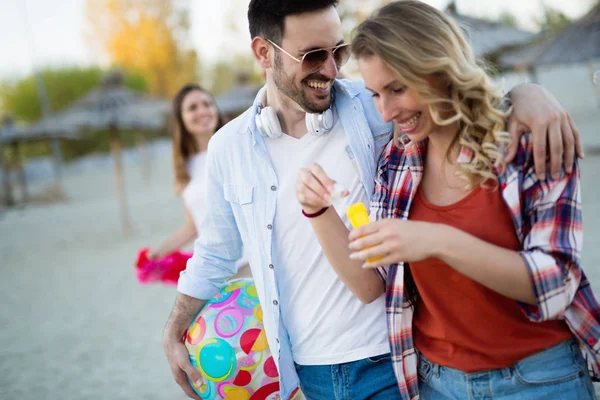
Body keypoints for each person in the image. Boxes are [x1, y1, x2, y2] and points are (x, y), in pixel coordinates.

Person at [162, 1, 585, 399]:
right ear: (263, 53)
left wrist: (527, 92)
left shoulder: (374, 111)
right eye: (312, 55)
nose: (329, 69)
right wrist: (174, 328)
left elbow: (456, 101)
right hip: (323, 370)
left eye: (338, 52)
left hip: (406, 358)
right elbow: (217, 252)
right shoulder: (232, 148)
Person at [296, 1, 599, 399]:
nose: (386, 112)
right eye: (374, 95)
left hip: (540, 380)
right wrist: (317, 211)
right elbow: (375, 284)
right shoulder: (398, 159)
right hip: (436, 383)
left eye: (397, 89)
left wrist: (436, 240)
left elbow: (557, 282)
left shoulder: (529, 142)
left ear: (438, 69)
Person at [146, 84, 248, 273]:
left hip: (247, 262)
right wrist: (159, 250)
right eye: (192, 108)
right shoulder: (186, 167)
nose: (202, 111)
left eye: (207, 104)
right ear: (181, 119)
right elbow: (194, 227)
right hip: (212, 270)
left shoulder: (235, 150)